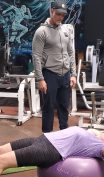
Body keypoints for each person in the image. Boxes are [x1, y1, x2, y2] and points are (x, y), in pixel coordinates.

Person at [32, 1, 77, 133]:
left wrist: (73, 74)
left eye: (63, 15)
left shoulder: (66, 30)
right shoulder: (41, 32)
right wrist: (40, 79)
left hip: (65, 74)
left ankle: (65, 134)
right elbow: (36, 56)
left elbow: (71, 53)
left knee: (64, 106)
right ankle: (47, 137)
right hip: (49, 74)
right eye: (58, 14)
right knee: (48, 107)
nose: (60, 17)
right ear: (52, 11)